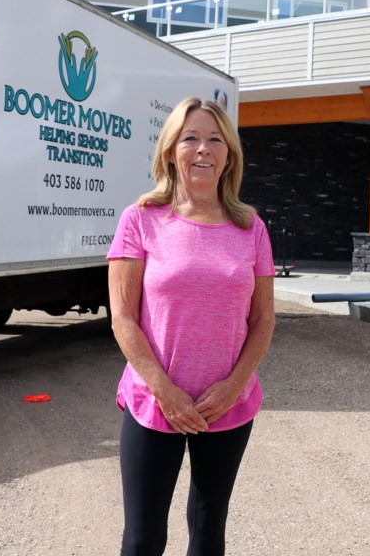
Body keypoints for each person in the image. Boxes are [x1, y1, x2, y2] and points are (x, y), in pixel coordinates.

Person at [107, 97, 275, 555]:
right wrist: (165, 390)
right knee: (142, 539)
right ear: (170, 152)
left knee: (207, 533)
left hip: (227, 405)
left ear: (229, 156)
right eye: (191, 138)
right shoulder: (140, 220)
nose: (203, 149)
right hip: (154, 400)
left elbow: (262, 319)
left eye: (215, 139)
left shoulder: (251, 228)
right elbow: (122, 316)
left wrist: (233, 385)